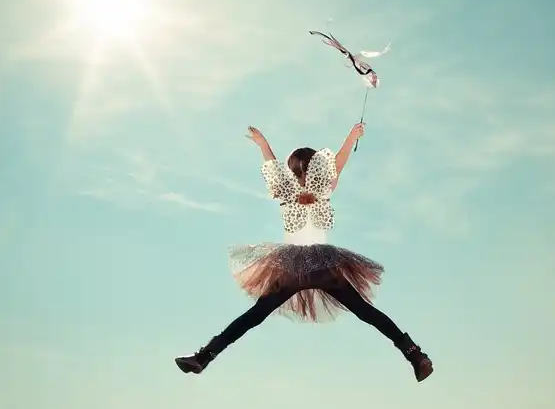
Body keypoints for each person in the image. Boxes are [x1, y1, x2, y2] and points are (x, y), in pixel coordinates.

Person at [174, 123, 433, 382]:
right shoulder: (324, 188)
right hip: (325, 267)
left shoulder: (285, 190)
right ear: (317, 167)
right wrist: (352, 136)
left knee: (254, 316)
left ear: (292, 170)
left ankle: (204, 357)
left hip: (292, 269)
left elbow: (273, 166)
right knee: (365, 311)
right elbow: (339, 162)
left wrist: (262, 143)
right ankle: (414, 354)